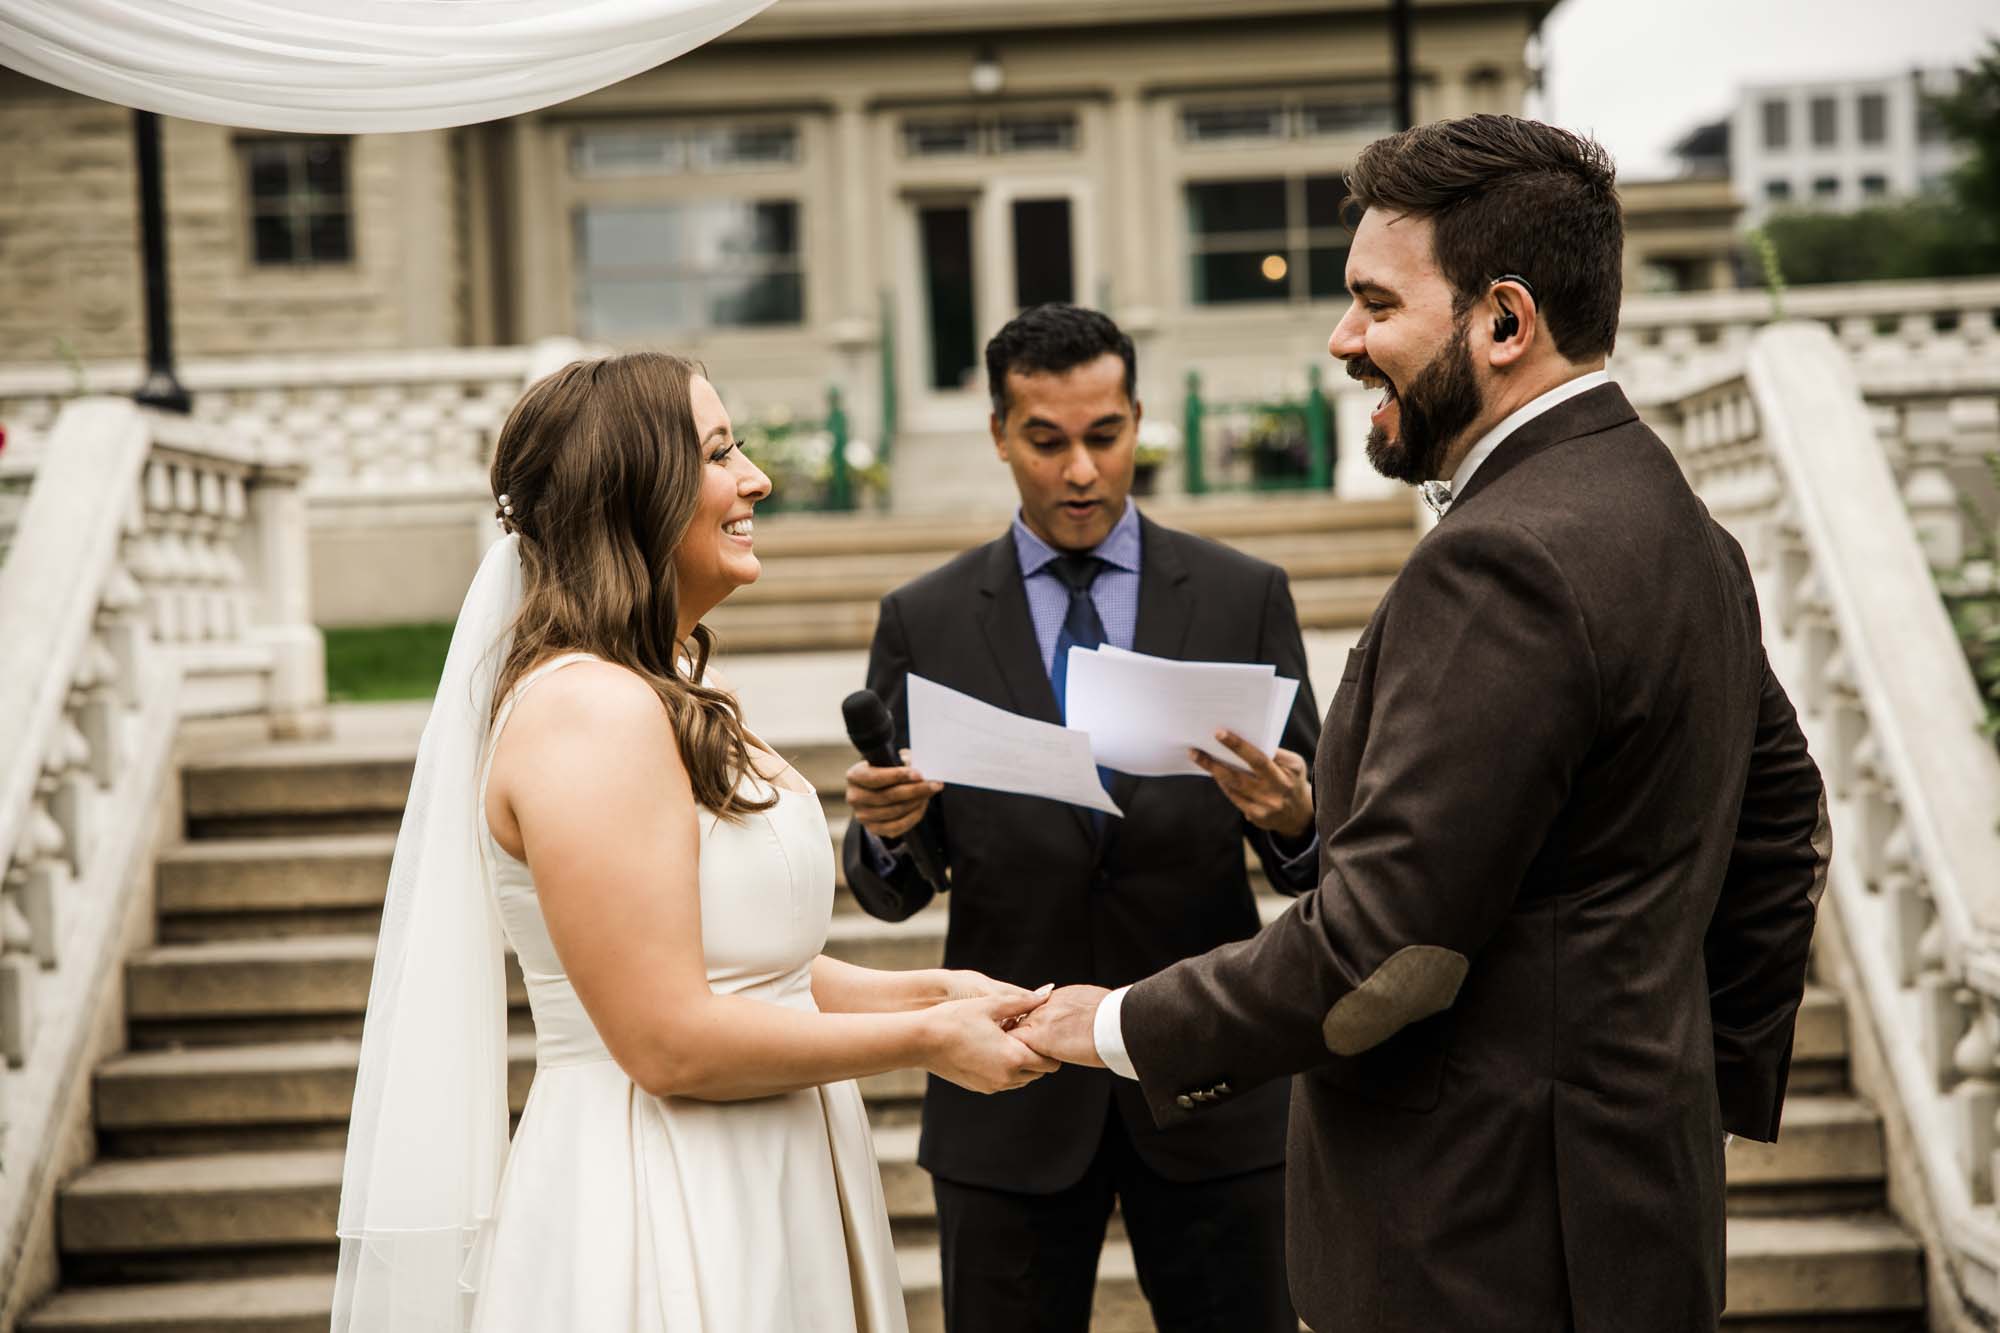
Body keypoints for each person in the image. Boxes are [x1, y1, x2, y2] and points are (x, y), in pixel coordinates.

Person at [1015, 115, 1829, 1332]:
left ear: (1502, 321)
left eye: (1373, 304)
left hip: (1471, 1245)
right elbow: (1782, 829)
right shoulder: (1678, 525)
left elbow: (1379, 957)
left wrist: (1113, 1020)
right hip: (1633, 1213)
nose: (1342, 340)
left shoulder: (1500, 558)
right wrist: (1664, 1090)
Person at [331, 352, 1057, 1333]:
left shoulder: (654, 688)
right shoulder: (587, 711)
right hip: (666, 1188)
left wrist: (937, 988)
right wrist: (925, 1040)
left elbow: (748, 965)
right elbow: (666, 1039)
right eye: (719, 453)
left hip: (760, 1160)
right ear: (633, 492)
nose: (755, 479)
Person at [842, 304, 1320, 1333]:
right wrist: (886, 827)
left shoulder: (1244, 595)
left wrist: (1292, 815)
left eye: (1103, 437)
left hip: (1210, 1087)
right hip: (1004, 1094)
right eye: (1045, 441)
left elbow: (1317, 861)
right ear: (997, 434)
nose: (1079, 473)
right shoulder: (920, 619)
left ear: (1136, 421)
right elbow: (893, 888)